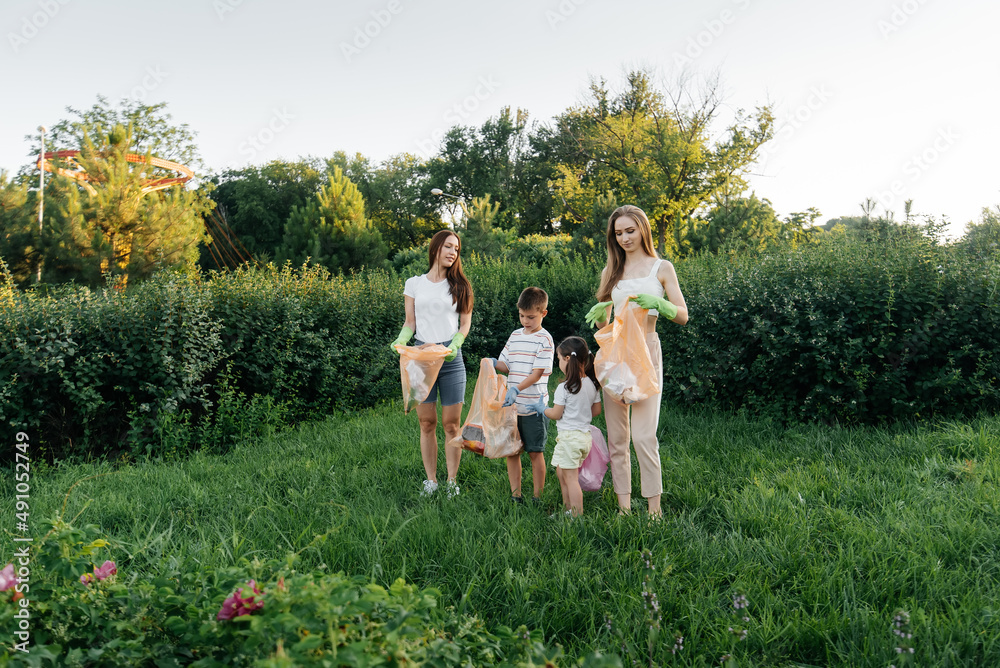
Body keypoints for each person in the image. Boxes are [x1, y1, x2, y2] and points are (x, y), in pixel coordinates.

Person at [584, 205, 688, 517]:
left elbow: (683, 315)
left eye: (630, 230)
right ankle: (624, 507)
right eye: (618, 233)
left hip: (647, 352)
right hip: (616, 357)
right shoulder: (610, 273)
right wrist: (600, 318)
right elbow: (606, 325)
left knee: (644, 436)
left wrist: (662, 304)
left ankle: (654, 511)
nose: (625, 237)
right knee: (618, 438)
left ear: (643, 230)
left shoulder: (662, 268)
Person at [390, 230, 473, 498]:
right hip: (421, 359)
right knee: (426, 423)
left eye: (456, 249)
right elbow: (410, 322)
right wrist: (402, 340)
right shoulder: (414, 283)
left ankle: (451, 481)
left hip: (449, 358)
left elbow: (465, 323)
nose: (452, 252)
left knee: (451, 424)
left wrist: (455, 345)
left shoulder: (461, 285)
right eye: (448, 246)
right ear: (436, 247)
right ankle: (431, 481)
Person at [491, 287, 554, 504]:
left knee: (535, 452)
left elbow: (537, 374)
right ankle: (516, 495)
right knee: (512, 451)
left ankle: (538, 496)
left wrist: (517, 388)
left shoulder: (545, 340)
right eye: (521, 315)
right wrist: (492, 363)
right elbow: (506, 365)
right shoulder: (515, 336)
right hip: (512, 407)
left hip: (533, 407)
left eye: (531, 317)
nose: (525, 321)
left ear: (543, 314)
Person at [529, 336, 602, 517]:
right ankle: (567, 509)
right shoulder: (592, 384)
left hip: (569, 439)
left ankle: (575, 515)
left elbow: (556, 414)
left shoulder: (565, 387)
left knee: (570, 479)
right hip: (584, 438)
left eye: (559, 359)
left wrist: (543, 409)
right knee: (562, 473)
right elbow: (597, 410)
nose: (559, 363)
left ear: (567, 359)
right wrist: (580, 415)